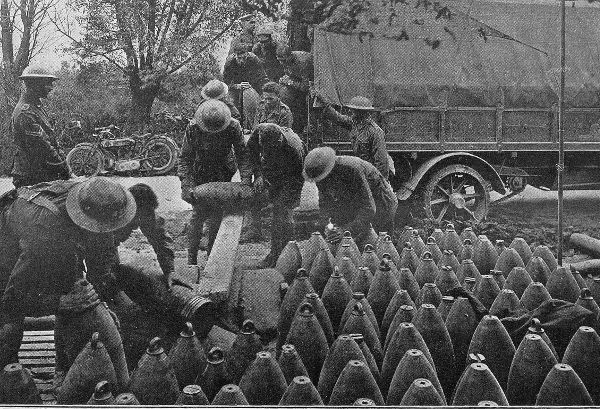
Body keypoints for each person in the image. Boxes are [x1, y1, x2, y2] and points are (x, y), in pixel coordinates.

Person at [0, 177, 137, 368]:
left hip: (50, 234)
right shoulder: (43, 234)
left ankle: (62, 367)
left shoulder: (97, 204)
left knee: (76, 294)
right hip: (10, 238)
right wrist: (59, 303)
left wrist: (104, 302)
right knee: (8, 324)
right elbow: (12, 301)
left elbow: (100, 268)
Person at [178, 99, 252, 264]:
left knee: (217, 214)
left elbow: (243, 154)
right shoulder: (193, 128)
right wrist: (186, 185)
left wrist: (246, 181)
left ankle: (212, 255)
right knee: (198, 214)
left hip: (222, 171)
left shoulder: (233, 126)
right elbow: (185, 158)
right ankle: (192, 259)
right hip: (200, 171)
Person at [303, 146, 398, 249]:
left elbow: (369, 209)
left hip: (381, 202)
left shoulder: (352, 169)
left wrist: (345, 230)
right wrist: (327, 224)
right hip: (357, 202)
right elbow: (325, 203)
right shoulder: (321, 174)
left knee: (379, 246)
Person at [240, 82, 294, 243]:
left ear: (278, 97)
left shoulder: (285, 113)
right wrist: (258, 174)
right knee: (255, 191)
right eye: (265, 98)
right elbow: (256, 133)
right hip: (264, 156)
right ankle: (254, 230)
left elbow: (282, 141)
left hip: (280, 160)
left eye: (271, 99)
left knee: (281, 199)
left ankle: (283, 236)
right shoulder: (261, 107)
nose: (267, 102)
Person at [246, 123, 305, 267]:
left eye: (269, 149)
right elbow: (251, 153)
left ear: (278, 142)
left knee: (282, 214)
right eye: (264, 148)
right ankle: (275, 254)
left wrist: (286, 201)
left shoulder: (294, 148)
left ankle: (286, 255)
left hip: (291, 177)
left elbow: (297, 179)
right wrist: (258, 175)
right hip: (272, 171)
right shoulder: (258, 132)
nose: (265, 151)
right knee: (276, 212)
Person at [10, 65, 70, 188]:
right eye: (48, 83)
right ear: (35, 84)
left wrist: (65, 163)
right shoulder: (25, 112)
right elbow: (44, 147)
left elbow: (52, 140)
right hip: (31, 178)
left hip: (42, 174)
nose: (51, 87)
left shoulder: (36, 107)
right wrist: (66, 171)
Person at [320, 95, 390, 179]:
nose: (350, 111)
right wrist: (325, 103)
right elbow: (338, 118)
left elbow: (382, 162)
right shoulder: (355, 124)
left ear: (362, 113)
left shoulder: (375, 132)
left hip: (370, 174)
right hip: (361, 171)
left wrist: (378, 181)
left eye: (354, 110)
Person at [114, 183, 175, 279]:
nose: (142, 219)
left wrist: (170, 272)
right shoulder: (114, 214)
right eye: (138, 215)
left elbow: (161, 242)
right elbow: (104, 246)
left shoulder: (147, 213)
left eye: (146, 214)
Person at [276, 45, 314, 136]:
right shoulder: (287, 61)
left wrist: (289, 82)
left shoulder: (302, 62)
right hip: (299, 81)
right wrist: (284, 79)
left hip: (313, 81)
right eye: (279, 60)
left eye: (283, 60)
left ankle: (306, 126)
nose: (281, 63)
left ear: (290, 56)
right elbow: (290, 74)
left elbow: (305, 87)